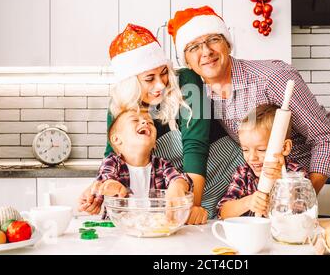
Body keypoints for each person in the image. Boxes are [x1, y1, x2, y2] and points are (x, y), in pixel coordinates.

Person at [168, 6, 330, 216]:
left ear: (228, 44)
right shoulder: (201, 97)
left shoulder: (272, 78)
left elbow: (326, 138)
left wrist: (300, 196)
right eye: (193, 47)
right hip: (290, 180)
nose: (206, 51)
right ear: (186, 60)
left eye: (213, 39)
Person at [78, 23, 246, 222]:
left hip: (225, 174)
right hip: (179, 185)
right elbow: (114, 156)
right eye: (149, 78)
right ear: (129, 83)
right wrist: (98, 189)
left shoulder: (187, 81)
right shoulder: (118, 106)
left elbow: (195, 146)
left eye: (164, 72)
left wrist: (192, 207)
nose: (160, 85)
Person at [87, 108, 192, 219]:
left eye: (150, 122)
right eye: (134, 120)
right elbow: (105, 177)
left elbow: (180, 178)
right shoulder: (112, 162)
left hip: (156, 229)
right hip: (118, 230)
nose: (145, 122)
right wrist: (109, 185)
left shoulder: (162, 165)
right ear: (117, 139)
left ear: (154, 144)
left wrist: (178, 185)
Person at [217, 104, 307, 219]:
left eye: (261, 150)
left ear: (284, 147)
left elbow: (304, 211)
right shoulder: (244, 174)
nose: (252, 157)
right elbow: (223, 212)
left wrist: (283, 182)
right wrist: (247, 202)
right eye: (245, 149)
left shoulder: (296, 173)